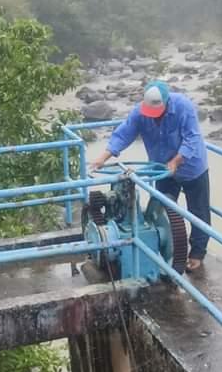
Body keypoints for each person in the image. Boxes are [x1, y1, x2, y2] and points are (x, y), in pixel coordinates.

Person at [90, 81, 211, 271]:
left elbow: (192, 138)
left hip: (191, 167)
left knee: (198, 211)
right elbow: (124, 134)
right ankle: (164, 249)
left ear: (166, 102)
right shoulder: (140, 113)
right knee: (160, 208)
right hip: (161, 167)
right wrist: (101, 159)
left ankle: (197, 253)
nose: (154, 117)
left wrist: (176, 162)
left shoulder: (183, 107)